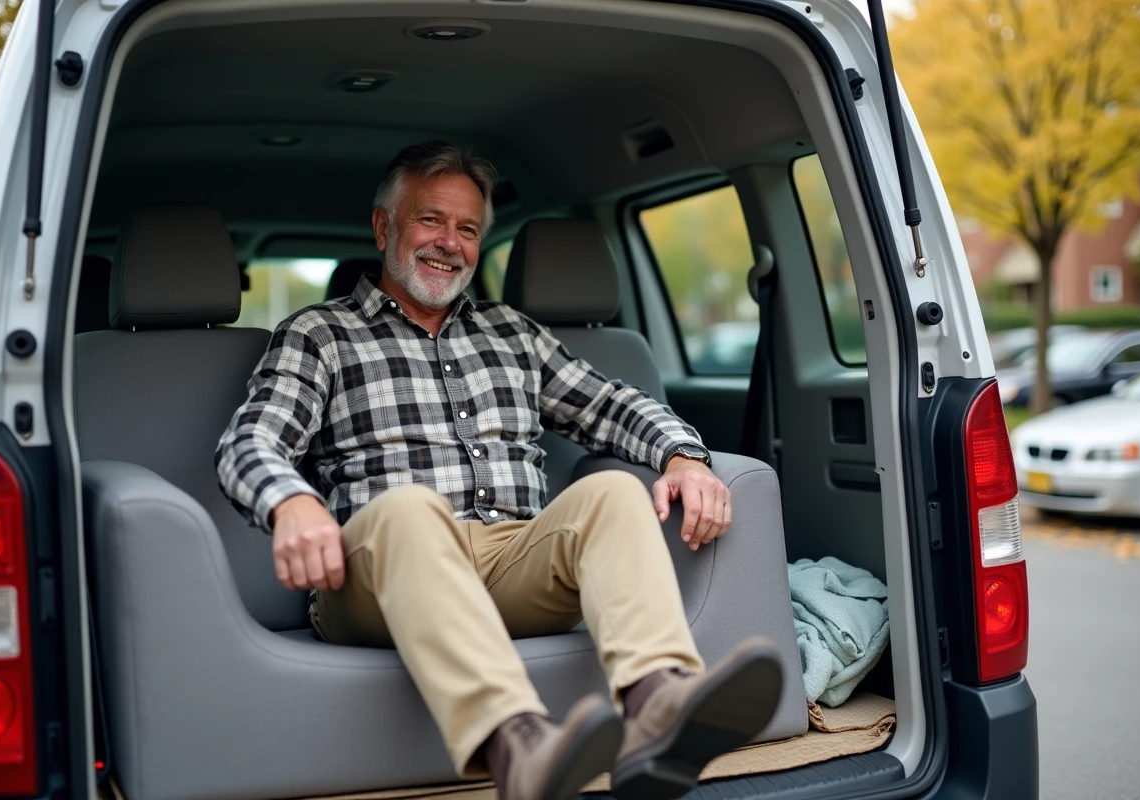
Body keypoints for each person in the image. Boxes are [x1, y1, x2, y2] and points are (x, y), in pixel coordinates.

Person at [215, 141, 784, 800]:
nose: (449, 243)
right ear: (384, 228)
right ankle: (518, 748)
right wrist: (292, 503)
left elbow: (612, 403)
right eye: (431, 220)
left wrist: (683, 455)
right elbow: (249, 441)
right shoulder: (319, 333)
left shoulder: (513, 333)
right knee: (410, 508)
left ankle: (658, 704)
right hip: (379, 568)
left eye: (468, 230)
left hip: (509, 558)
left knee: (609, 493)